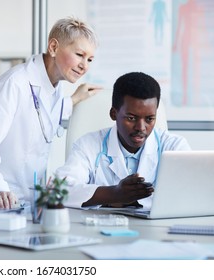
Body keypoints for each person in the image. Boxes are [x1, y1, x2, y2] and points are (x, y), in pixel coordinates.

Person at [0, 17, 102, 208]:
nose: (84, 66)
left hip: (20, 199)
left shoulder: (55, 89)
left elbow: (42, 118)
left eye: (90, 59)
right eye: (79, 54)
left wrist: (74, 100)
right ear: (54, 47)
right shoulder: (15, 82)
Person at [55, 72, 191, 209]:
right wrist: (114, 193)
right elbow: (59, 191)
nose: (141, 128)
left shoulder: (174, 146)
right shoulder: (88, 145)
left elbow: (191, 192)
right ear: (114, 114)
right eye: (131, 118)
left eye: (149, 119)